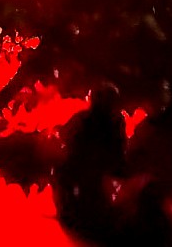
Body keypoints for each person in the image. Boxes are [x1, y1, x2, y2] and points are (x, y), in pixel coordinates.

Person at [54, 84, 127, 244]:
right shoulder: (111, 120)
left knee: (62, 175)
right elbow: (67, 133)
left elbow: (67, 134)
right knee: (62, 175)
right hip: (96, 164)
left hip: (91, 164)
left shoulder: (96, 119)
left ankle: (69, 211)